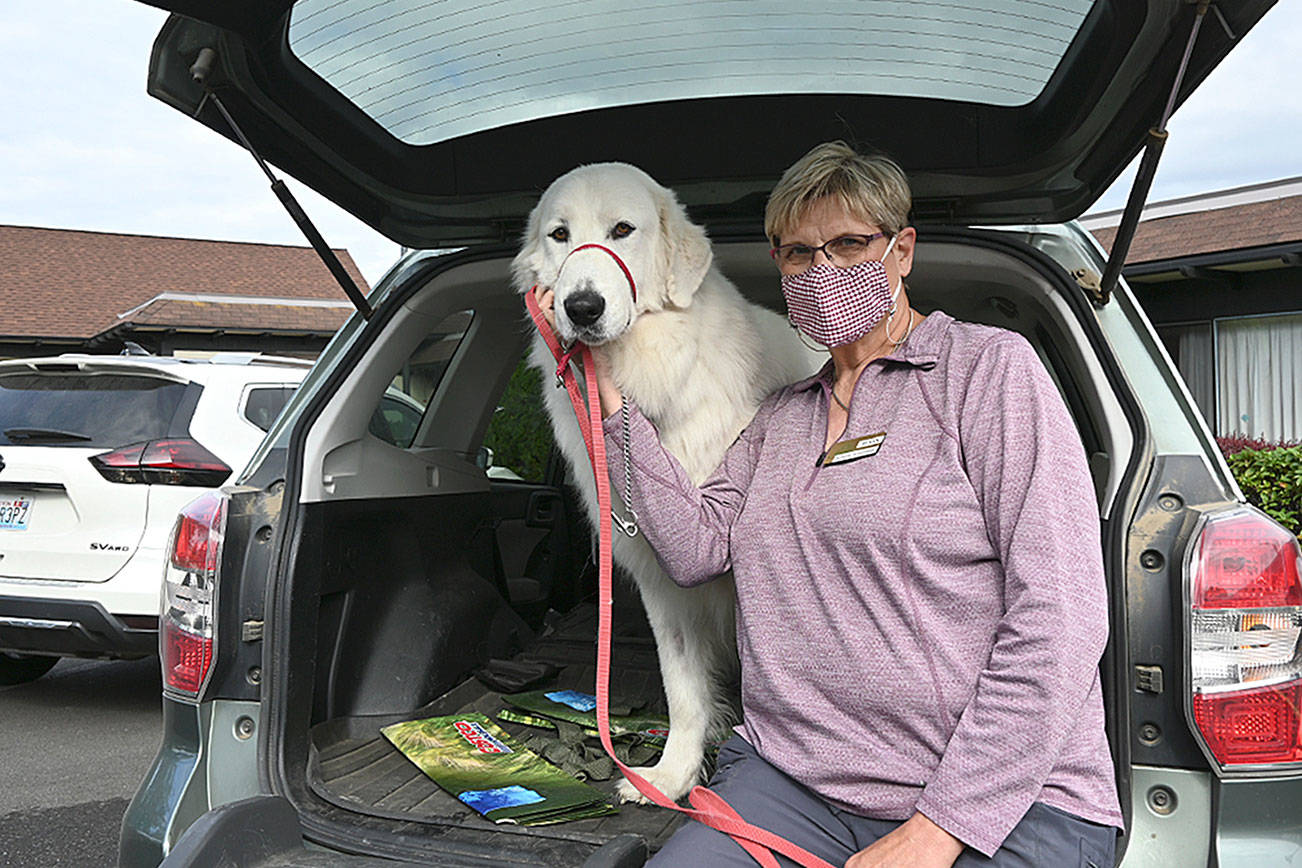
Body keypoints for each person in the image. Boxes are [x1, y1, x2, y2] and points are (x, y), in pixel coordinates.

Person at [536, 141, 1123, 867]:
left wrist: (943, 824)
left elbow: (1061, 620)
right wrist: (614, 407)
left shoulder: (988, 373)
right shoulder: (782, 418)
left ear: (902, 250)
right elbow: (690, 552)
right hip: (801, 782)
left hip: (1006, 800)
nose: (824, 271)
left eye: (848, 245)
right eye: (797, 254)